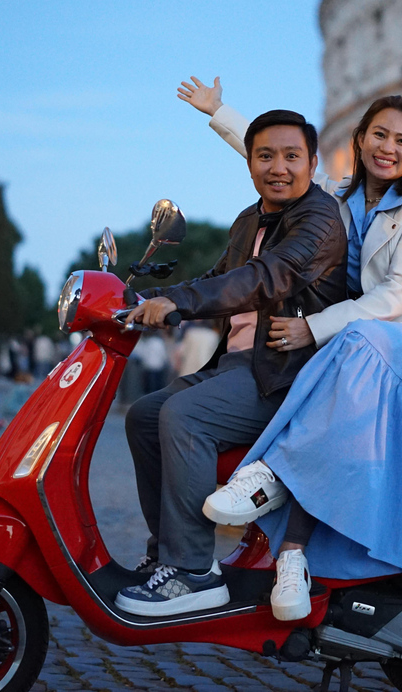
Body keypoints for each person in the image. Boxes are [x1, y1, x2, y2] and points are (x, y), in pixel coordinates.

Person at [182, 77, 402, 622]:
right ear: (359, 140)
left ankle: (267, 476)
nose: (388, 148)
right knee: (342, 360)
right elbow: (283, 159)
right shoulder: (337, 200)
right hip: (368, 336)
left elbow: (398, 294)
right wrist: (219, 112)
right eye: (379, 135)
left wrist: (313, 327)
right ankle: (292, 553)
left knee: (349, 343)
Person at [114, 109, 348, 617]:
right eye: (265, 155)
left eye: (291, 156)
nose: (278, 167)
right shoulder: (248, 219)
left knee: (185, 416)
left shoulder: (320, 219)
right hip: (237, 366)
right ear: (249, 163)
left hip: (287, 378)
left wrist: (182, 305)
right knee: (144, 417)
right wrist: (150, 298)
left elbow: (265, 278)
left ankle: (195, 571)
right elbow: (218, 274)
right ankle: (167, 557)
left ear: (312, 162)